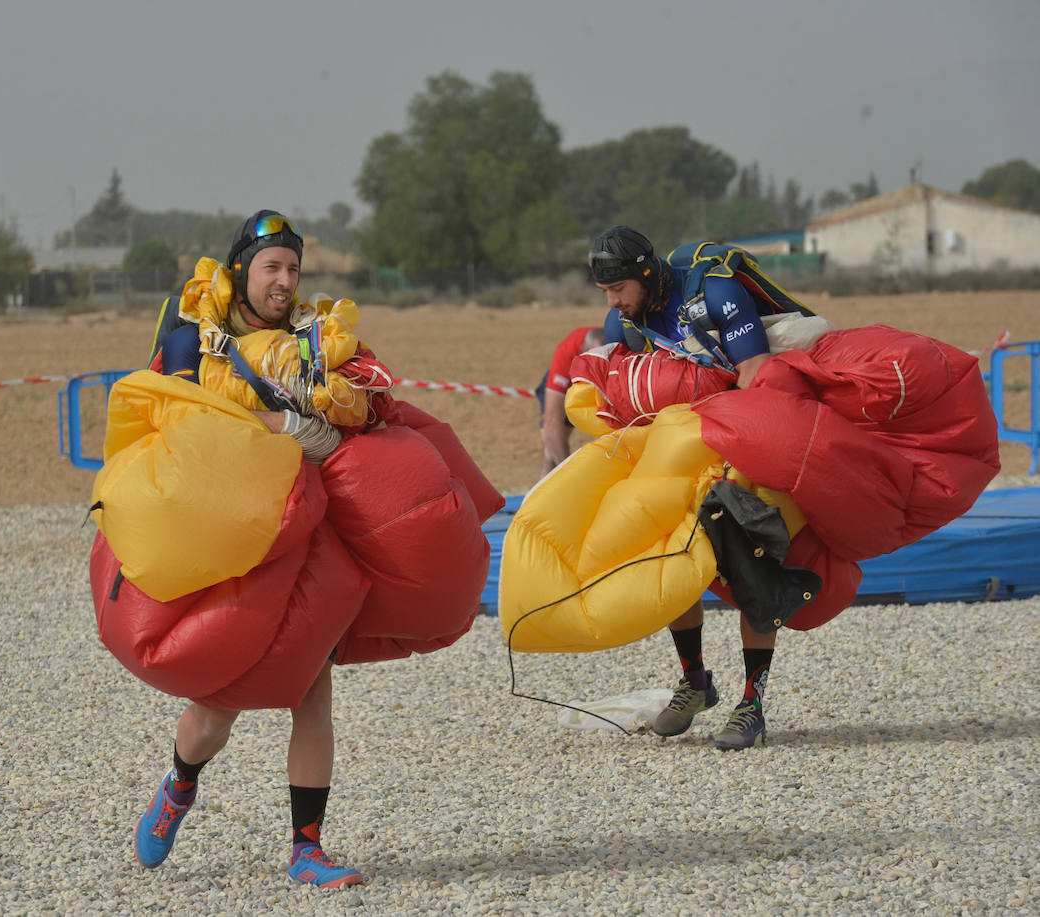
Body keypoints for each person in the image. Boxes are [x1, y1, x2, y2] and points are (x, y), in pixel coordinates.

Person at [92, 210, 501, 886]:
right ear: (242, 272)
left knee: (312, 695)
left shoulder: (316, 342)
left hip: (309, 539)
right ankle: (179, 785)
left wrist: (287, 427)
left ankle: (306, 847)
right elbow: (181, 423)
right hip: (240, 534)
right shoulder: (195, 332)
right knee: (215, 704)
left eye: (293, 269)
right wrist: (284, 428)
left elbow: (361, 416)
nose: (284, 281)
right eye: (271, 267)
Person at [589, 225, 782, 750]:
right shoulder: (626, 319)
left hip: (739, 443)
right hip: (677, 453)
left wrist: (728, 456)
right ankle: (695, 680)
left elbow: (756, 374)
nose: (613, 303)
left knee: (751, 571)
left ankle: (753, 703)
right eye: (605, 293)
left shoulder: (714, 294)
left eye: (619, 289)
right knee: (669, 565)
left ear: (647, 274)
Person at [538, 324, 605, 476]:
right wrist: (570, 474)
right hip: (569, 382)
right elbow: (552, 424)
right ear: (583, 348)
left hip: (594, 382)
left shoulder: (615, 347)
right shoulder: (567, 354)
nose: (593, 363)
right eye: (590, 357)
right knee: (551, 447)